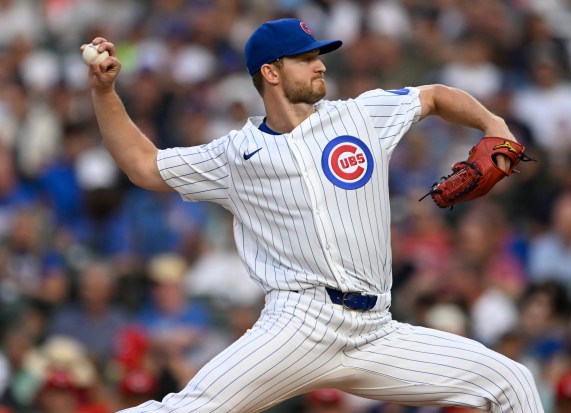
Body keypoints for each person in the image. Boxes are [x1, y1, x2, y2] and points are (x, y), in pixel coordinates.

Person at [82, 17, 544, 413]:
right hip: (299, 324)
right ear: (272, 72)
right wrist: (104, 91)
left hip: (376, 330)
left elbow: (437, 95)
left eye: (318, 54)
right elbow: (144, 166)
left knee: (513, 383)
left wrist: (495, 127)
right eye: (305, 58)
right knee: (191, 409)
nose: (320, 63)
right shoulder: (236, 155)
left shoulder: (361, 116)